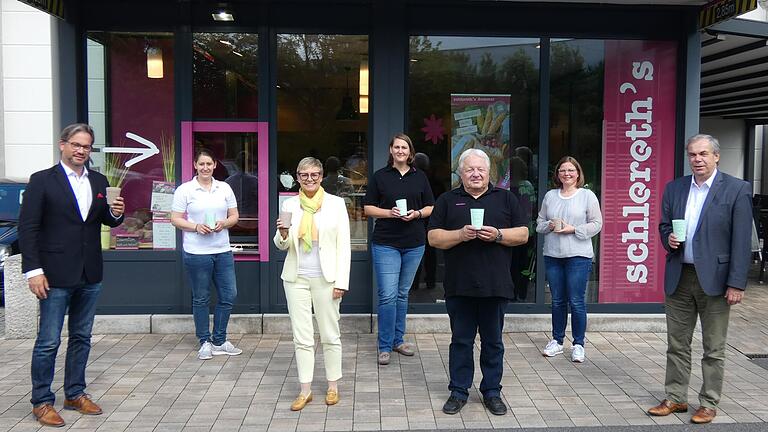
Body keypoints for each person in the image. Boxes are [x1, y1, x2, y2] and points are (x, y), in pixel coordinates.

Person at [19, 123, 125, 427]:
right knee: (48, 341)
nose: (81, 151)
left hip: (89, 272)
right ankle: (41, 401)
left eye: (86, 147)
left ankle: (75, 393)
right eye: (76, 145)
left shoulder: (99, 180)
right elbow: (28, 229)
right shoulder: (42, 181)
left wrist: (116, 212)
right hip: (53, 274)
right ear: (62, 145)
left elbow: (106, 221)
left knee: (82, 337)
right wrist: (33, 271)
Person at [648, 134, 752, 424]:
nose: (698, 160)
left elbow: (741, 241)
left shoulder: (736, 189)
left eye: (704, 154)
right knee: (677, 343)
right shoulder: (675, 188)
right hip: (680, 275)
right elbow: (663, 225)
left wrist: (736, 283)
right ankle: (676, 397)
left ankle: (708, 402)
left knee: (714, 347)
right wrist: (667, 238)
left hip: (717, 281)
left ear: (716, 156)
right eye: (693, 155)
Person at [428, 148, 528, 416]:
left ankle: (492, 391)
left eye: (480, 169)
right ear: (460, 172)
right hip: (459, 285)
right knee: (461, 341)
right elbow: (434, 238)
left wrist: (497, 235)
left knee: (493, 342)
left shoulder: (505, 199)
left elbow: (523, 234)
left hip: (496, 285)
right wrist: (460, 234)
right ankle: (459, 391)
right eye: (470, 169)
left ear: (488, 173)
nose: (475, 173)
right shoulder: (448, 200)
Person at [274, 157, 351, 411]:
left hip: (326, 278)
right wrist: (283, 234)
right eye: (304, 175)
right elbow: (281, 243)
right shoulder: (290, 204)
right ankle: (305, 389)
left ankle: (332, 386)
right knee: (302, 337)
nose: (310, 179)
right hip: (296, 277)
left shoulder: (336, 204)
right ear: (297, 177)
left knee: (330, 334)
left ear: (321, 176)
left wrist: (342, 281)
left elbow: (344, 247)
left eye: (314, 175)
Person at [363, 134, 434, 365]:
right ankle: (384, 346)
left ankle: (398, 340)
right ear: (391, 150)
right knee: (388, 295)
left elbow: (431, 206)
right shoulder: (380, 177)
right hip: (386, 242)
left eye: (405, 147)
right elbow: (368, 209)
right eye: (397, 147)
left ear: (410, 152)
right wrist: (389, 212)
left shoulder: (420, 176)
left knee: (402, 293)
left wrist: (417, 213)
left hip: (414, 243)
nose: (401, 150)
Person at [171, 149, 242, 361]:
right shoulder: (185, 190)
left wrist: (224, 223)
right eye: (201, 164)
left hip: (222, 250)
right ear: (195, 165)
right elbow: (175, 218)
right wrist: (195, 227)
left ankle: (219, 340)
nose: (205, 168)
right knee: (201, 298)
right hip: (196, 252)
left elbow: (235, 216)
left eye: (209, 164)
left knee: (229, 295)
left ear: (214, 165)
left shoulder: (225, 187)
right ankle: (204, 341)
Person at [536, 156, 602, 362]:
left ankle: (578, 344)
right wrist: (549, 226)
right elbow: (539, 223)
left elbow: (597, 223)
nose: (567, 174)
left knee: (576, 301)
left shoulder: (587, 195)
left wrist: (574, 229)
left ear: (578, 173)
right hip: (553, 255)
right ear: (557, 174)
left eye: (571, 170)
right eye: (562, 170)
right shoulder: (550, 196)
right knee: (557, 301)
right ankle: (556, 341)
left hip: (579, 256)